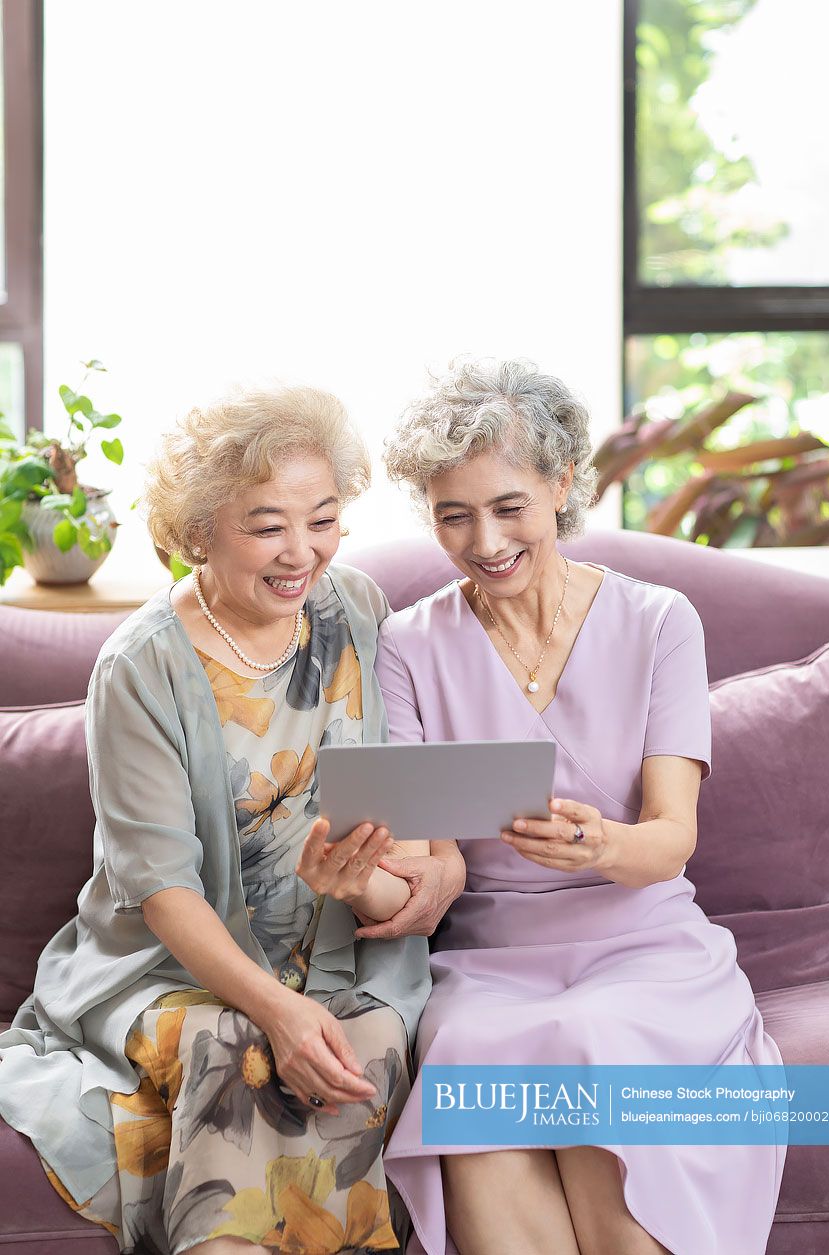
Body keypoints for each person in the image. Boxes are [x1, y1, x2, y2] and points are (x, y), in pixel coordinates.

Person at [0, 381, 442, 1255]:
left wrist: (403, 880)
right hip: (169, 967)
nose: (301, 551)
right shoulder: (141, 665)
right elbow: (161, 892)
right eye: (267, 524)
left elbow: (409, 821)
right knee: (230, 1048)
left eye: (322, 518)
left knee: (364, 1050)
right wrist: (277, 1009)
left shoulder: (358, 610)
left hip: (348, 959)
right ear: (198, 529)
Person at [370, 358, 786, 1255]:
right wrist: (387, 872)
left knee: (597, 1033)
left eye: (508, 506)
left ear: (562, 485)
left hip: (641, 942)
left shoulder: (658, 620)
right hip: (489, 957)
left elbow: (670, 841)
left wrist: (602, 844)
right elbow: (428, 852)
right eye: (453, 514)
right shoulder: (405, 645)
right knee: (466, 1047)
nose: (484, 539)